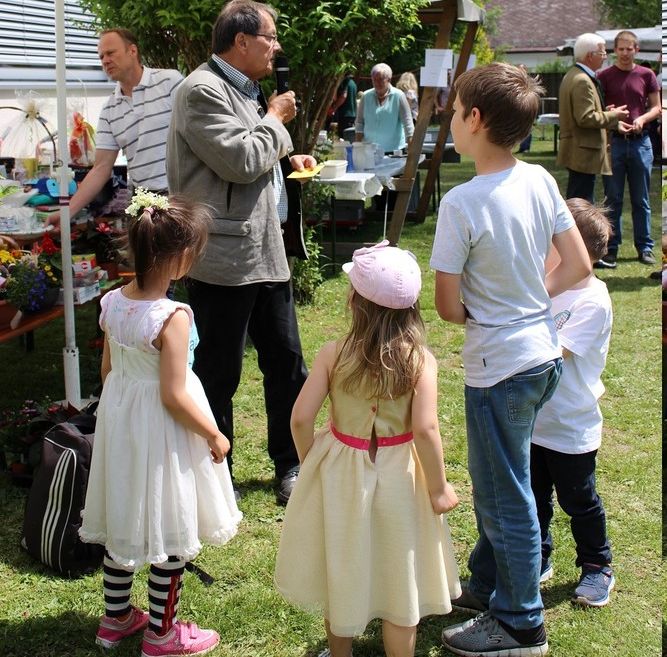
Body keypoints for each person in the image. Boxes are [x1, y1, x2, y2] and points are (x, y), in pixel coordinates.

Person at [430, 62, 590, 657]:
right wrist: (529, 300)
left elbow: (447, 307)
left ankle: (521, 622)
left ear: (474, 119)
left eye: (454, 111)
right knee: (506, 482)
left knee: (505, 496)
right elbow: (578, 265)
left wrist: (500, 309)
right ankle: (489, 584)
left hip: (500, 369)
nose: (450, 120)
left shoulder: (461, 203)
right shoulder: (541, 179)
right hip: (541, 358)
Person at [274, 240, 461, 657]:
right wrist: (438, 488)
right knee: (400, 580)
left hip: (341, 472)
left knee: (343, 567)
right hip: (402, 478)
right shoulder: (421, 361)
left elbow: (300, 418)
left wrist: (312, 462)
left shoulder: (333, 354)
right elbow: (426, 429)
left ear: (355, 301)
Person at [79, 190, 241, 657]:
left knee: (125, 513)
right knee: (170, 520)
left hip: (122, 424)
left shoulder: (111, 303)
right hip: (166, 431)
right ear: (180, 258)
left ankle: (115, 620)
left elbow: (108, 371)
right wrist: (213, 433)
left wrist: (123, 412)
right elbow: (173, 394)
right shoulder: (172, 316)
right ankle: (162, 633)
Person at [167, 0, 314, 505]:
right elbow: (240, 159)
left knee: (287, 363)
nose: (276, 46)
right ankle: (214, 474)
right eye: (270, 37)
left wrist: (287, 160)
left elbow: (256, 153)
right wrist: (275, 118)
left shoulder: (246, 90)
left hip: (266, 249)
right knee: (218, 372)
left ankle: (290, 463)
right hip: (224, 256)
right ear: (241, 41)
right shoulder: (201, 90)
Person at [530, 199, 615, 608]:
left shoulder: (593, 300)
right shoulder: (546, 286)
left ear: (572, 250)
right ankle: (540, 556)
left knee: (579, 501)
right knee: (534, 497)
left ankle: (598, 565)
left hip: (570, 425)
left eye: (550, 238)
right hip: (533, 421)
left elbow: (552, 354)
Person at [46, 28, 183, 227]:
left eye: (110, 53)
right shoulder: (109, 109)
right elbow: (100, 169)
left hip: (181, 197)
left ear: (132, 51)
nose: (105, 61)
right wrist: (67, 213)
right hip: (145, 202)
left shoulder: (170, 82)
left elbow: (197, 133)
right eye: (101, 56)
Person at [596, 30, 660, 267]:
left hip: (641, 142)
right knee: (612, 198)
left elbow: (657, 107)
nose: (625, 53)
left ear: (636, 50)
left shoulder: (646, 74)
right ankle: (611, 247)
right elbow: (598, 108)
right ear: (614, 51)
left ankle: (644, 247)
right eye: (621, 49)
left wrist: (642, 118)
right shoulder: (604, 76)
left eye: (629, 49)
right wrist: (610, 113)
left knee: (641, 198)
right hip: (615, 142)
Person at [556, 33, 630, 204]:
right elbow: (585, 117)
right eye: (602, 53)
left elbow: (583, 112)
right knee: (582, 204)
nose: (605, 57)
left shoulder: (574, 75)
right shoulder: (582, 80)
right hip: (583, 153)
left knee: (579, 200)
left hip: (579, 151)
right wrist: (614, 115)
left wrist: (605, 112)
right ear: (590, 55)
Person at [355, 63, 414, 154]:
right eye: (374, 80)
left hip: (394, 151)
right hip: (369, 150)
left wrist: (412, 150)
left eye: (380, 80)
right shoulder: (366, 96)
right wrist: (358, 147)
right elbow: (359, 122)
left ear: (389, 80)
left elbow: (408, 123)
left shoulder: (399, 96)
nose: (377, 83)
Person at [327, 72, 358, 136]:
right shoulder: (353, 83)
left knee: (343, 137)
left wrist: (334, 107)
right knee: (350, 136)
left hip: (344, 114)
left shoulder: (345, 82)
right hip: (352, 115)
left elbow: (343, 96)